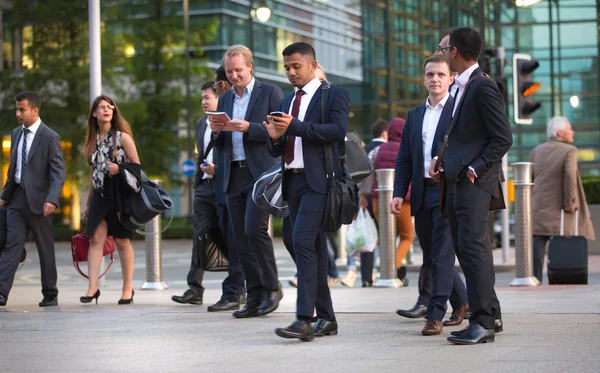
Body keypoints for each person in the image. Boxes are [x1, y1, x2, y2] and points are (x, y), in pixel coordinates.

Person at [431, 27, 512, 345]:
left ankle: (483, 322)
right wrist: (443, 161)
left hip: (473, 183)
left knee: (473, 250)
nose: (438, 52)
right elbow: (465, 137)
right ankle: (491, 313)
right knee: (468, 249)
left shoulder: (482, 87)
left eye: (441, 48)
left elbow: (502, 137)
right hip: (456, 180)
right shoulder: (463, 87)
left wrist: (475, 169)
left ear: (454, 52)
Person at [265, 41, 349, 341]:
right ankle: (327, 319)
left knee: (302, 241)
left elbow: (337, 132)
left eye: (296, 66)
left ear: (313, 65)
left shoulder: (334, 94)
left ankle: (304, 318)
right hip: (293, 181)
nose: (290, 72)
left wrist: (295, 127)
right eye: (286, 67)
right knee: (302, 244)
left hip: (320, 182)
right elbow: (279, 144)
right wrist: (274, 136)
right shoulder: (287, 101)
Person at [391, 55, 469, 336]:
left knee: (443, 255)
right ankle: (462, 301)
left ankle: (436, 314)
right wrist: (399, 192)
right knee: (433, 255)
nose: (434, 79)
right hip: (422, 192)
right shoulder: (413, 115)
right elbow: (404, 159)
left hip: (448, 191)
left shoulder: (458, 111)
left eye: (440, 74)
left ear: (450, 79)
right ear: (423, 78)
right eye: (429, 74)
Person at [210, 45, 284, 318]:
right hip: (233, 173)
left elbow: (277, 131)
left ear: (250, 67)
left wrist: (248, 127)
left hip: (259, 173)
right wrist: (217, 131)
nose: (234, 76)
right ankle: (254, 296)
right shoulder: (226, 98)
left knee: (255, 230)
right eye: (229, 71)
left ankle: (272, 287)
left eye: (238, 70)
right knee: (240, 239)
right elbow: (222, 143)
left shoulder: (270, 92)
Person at [171, 79, 246, 310]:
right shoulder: (200, 124)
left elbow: (233, 155)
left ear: (220, 98)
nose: (204, 101)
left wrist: (218, 171)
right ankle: (194, 288)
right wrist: (197, 181)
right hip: (204, 188)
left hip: (224, 185)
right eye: (202, 97)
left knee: (229, 237)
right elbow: (200, 155)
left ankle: (239, 287)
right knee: (200, 236)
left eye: (208, 96)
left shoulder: (228, 123)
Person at [0, 91, 66, 307]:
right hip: (17, 200)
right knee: (12, 245)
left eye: (22, 109)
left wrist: (52, 199)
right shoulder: (16, 133)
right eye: (17, 109)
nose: (18, 113)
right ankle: (1, 293)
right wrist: (4, 197)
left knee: (45, 248)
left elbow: (58, 172)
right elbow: (14, 169)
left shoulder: (50, 137)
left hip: (40, 202)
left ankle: (50, 293)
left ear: (35, 111)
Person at [81, 94, 140, 305]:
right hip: (99, 195)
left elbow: (137, 167)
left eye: (110, 107)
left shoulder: (122, 137)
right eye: (102, 107)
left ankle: (127, 289)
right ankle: (92, 287)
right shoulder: (92, 139)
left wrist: (119, 169)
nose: (107, 110)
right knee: (96, 240)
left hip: (118, 195)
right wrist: (88, 203)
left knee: (122, 241)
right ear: (95, 113)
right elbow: (93, 173)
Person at [530, 116, 595, 283]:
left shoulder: (537, 150)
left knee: (538, 240)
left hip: (538, 205)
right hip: (559, 207)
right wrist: (570, 202)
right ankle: (563, 276)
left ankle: (535, 278)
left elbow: (530, 177)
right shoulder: (570, 150)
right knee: (565, 238)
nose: (572, 132)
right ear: (560, 132)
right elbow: (570, 176)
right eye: (570, 128)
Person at [342, 119, 389, 288]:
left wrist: (360, 196)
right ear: (385, 133)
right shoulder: (385, 149)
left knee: (367, 237)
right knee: (387, 235)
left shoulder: (364, 149)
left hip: (363, 198)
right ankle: (390, 272)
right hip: (381, 198)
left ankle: (366, 277)